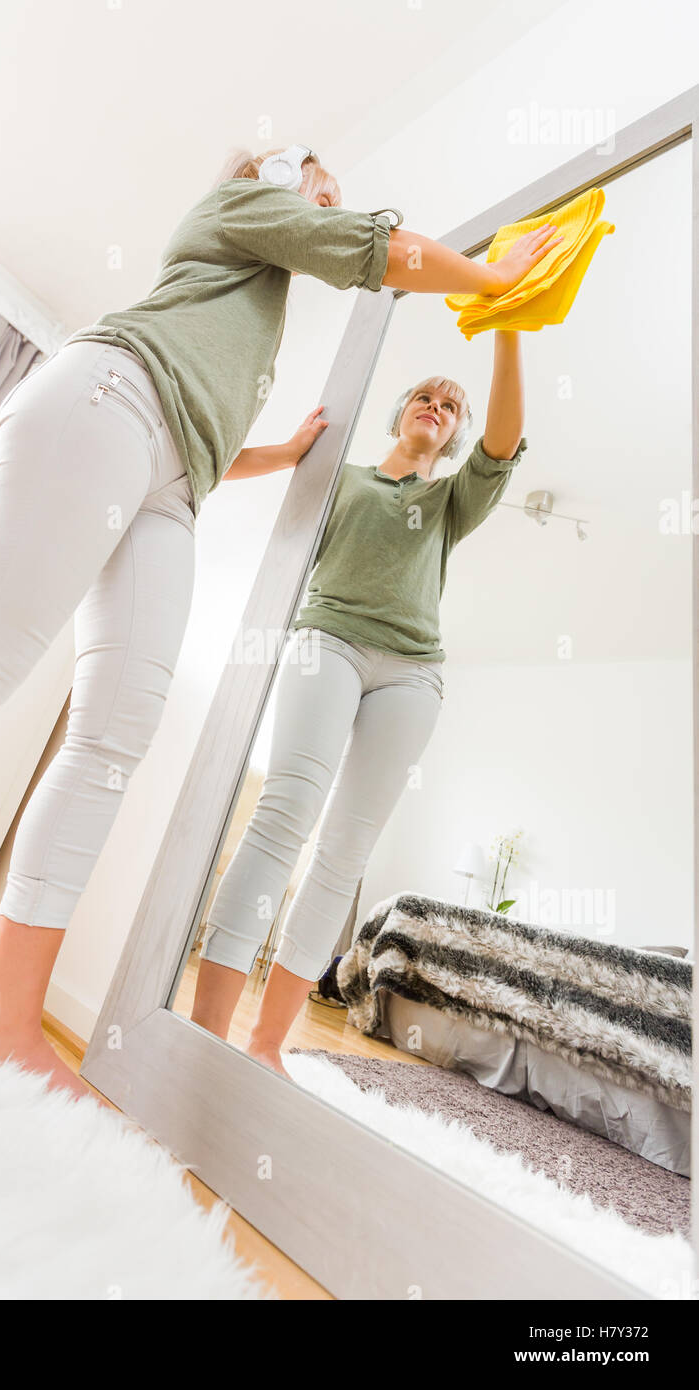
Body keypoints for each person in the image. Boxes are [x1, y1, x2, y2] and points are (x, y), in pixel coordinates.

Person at [0, 141, 560, 1096]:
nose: (329, 192)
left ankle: (6, 1018)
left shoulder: (250, 299)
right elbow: (369, 250)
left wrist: (275, 450)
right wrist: (497, 276)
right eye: (316, 178)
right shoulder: (236, 209)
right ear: (262, 175)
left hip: (172, 480)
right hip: (107, 398)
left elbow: (204, 434)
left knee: (112, 739)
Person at [190, 333, 528, 1077]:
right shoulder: (343, 477)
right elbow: (227, 466)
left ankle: (266, 1044)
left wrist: (508, 324)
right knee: (284, 815)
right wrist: (290, 449)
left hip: (413, 674)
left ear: (454, 433)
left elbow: (503, 441)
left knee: (345, 852)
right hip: (329, 640)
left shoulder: (451, 498)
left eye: (450, 406)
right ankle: (203, 1030)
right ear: (399, 415)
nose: (435, 408)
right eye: (424, 397)